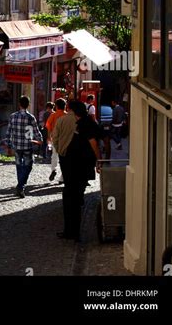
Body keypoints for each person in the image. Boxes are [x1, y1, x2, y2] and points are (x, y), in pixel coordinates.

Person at [54, 100, 101, 241]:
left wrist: (61, 151)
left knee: (69, 196)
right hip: (83, 164)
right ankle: (75, 229)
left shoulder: (62, 120)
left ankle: (70, 230)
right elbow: (96, 140)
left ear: (69, 108)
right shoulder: (85, 121)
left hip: (67, 160)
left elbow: (54, 138)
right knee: (77, 195)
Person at [7, 95, 43, 198]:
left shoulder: (13, 116)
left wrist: (9, 144)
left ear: (19, 104)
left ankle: (20, 186)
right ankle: (21, 186)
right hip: (27, 145)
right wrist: (40, 140)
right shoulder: (30, 117)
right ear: (28, 105)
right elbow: (36, 131)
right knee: (28, 166)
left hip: (17, 146)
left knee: (19, 166)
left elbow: (9, 131)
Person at [46, 97, 67, 181]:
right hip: (65, 139)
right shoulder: (67, 115)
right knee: (64, 158)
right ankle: (62, 177)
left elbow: (48, 126)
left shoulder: (53, 115)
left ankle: (54, 169)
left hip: (55, 139)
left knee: (54, 155)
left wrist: (49, 137)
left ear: (56, 106)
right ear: (65, 106)